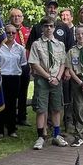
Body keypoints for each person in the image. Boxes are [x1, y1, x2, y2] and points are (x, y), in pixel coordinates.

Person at [28, 17, 68, 150]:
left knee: (56, 108)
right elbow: (34, 63)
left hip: (57, 80)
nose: (49, 28)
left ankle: (56, 135)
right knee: (41, 109)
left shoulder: (60, 45)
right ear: (42, 28)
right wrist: (48, 77)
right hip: (42, 80)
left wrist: (57, 77)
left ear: (54, 28)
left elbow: (63, 63)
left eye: (51, 26)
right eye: (46, 26)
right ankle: (41, 136)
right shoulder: (36, 44)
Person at [0, 24, 27, 139]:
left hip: (14, 78)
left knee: (12, 104)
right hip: (1, 78)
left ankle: (12, 129)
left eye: (13, 33)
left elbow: (23, 64)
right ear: (4, 33)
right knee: (0, 104)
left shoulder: (20, 49)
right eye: (8, 32)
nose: (10, 35)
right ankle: (0, 130)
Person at [8, 8, 31, 126]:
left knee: (23, 92)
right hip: (11, 66)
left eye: (19, 16)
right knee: (12, 93)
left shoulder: (27, 31)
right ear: (10, 18)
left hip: (25, 65)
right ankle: (10, 118)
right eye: (14, 16)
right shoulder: (7, 32)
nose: (16, 18)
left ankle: (22, 117)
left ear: (22, 18)